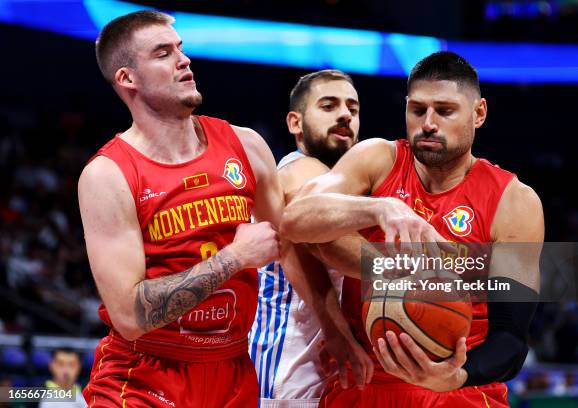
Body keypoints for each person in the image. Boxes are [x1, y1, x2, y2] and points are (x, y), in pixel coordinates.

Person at [281, 51, 543, 407]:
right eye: (417, 110)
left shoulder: (514, 202)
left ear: (478, 113)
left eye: (445, 111)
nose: (429, 123)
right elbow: (295, 219)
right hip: (364, 382)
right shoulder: (378, 159)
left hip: (458, 391)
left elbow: (511, 338)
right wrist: (381, 206)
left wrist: (456, 376)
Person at [79, 10, 284, 407]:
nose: (183, 60)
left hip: (234, 369)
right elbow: (130, 317)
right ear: (128, 79)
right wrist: (236, 257)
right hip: (144, 376)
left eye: (180, 49)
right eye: (162, 53)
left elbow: (292, 248)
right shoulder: (108, 175)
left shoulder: (246, 145)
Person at [249, 69, 372, 407]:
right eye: (328, 106)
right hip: (285, 372)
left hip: (325, 372)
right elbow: (346, 253)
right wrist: (444, 272)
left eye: (353, 108)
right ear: (295, 123)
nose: (345, 114)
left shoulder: (344, 184)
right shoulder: (298, 170)